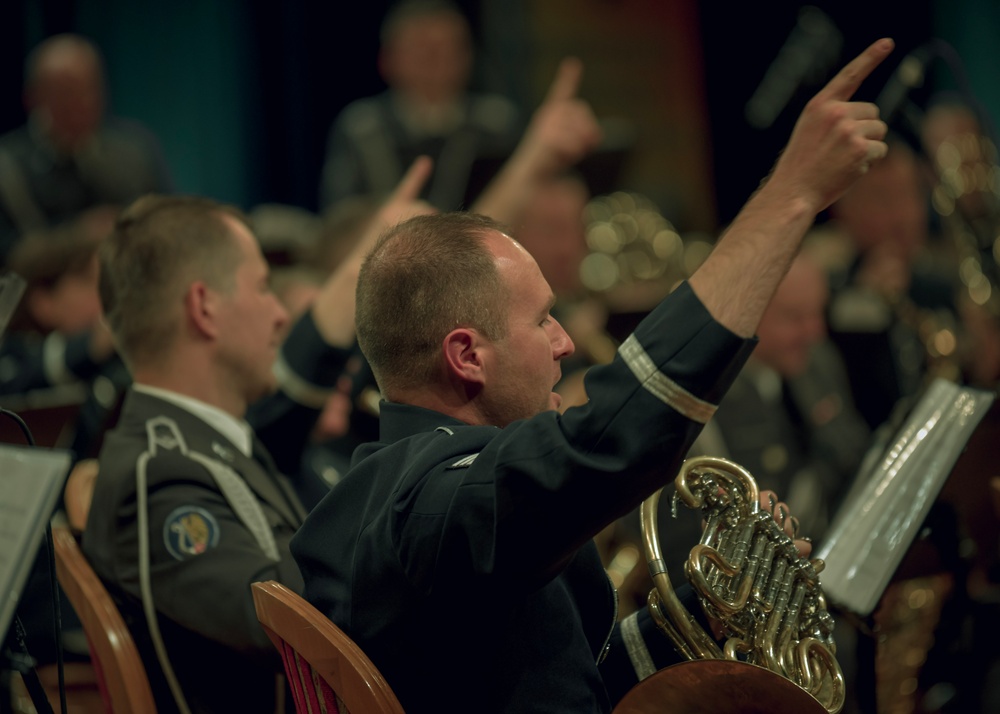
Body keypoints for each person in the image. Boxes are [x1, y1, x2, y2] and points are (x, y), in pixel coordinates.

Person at [291, 39, 895, 713]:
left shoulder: (396, 497)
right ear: (467, 356)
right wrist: (792, 195)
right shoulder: (437, 503)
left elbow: (553, 682)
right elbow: (619, 437)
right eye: (543, 320)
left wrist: (710, 607)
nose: (567, 341)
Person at [81, 161, 432, 713]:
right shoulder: (158, 475)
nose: (277, 315)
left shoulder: (204, 443)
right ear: (204, 308)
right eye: (264, 287)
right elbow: (290, 627)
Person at [319, 0, 521, 212]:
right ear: (388, 60)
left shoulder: (497, 125)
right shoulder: (361, 129)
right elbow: (340, 218)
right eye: (424, 50)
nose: (438, 61)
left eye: (451, 49)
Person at [0, 34, 172, 263]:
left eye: (91, 89)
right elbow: (10, 259)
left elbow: (169, 226)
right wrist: (77, 238)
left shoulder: (133, 151)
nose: (84, 103)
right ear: (33, 98)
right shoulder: (8, 166)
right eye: (67, 93)